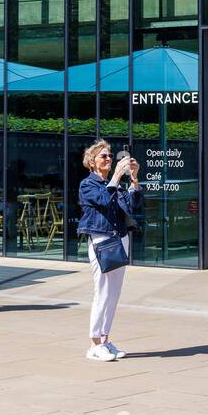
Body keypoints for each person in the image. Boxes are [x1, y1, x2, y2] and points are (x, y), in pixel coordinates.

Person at [78, 140, 142, 361]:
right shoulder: (88, 185)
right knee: (102, 292)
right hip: (101, 241)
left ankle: (105, 340)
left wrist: (133, 179)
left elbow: (133, 207)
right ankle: (94, 343)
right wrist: (115, 177)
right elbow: (104, 200)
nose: (109, 159)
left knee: (114, 294)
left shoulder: (116, 185)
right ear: (92, 162)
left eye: (110, 156)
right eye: (104, 156)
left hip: (119, 239)